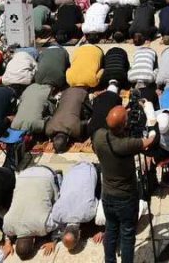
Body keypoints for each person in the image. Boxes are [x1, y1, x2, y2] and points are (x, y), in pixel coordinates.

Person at [93, 105, 156, 263]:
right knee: (127, 236)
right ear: (124, 126)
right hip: (126, 198)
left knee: (111, 230)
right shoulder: (127, 145)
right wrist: (151, 118)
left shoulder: (99, 136)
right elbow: (149, 141)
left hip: (107, 195)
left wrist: (125, 115)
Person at [2, 165, 61, 259]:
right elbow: (7, 233)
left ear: (34, 242)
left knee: (57, 199)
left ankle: (58, 177)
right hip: (23, 174)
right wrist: (7, 243)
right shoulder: (8, 225)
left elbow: (59, 220)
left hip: (47, 174)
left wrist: (53, 240)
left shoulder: (44, 226)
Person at [49, 162, 101, 252]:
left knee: (96, 193)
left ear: (79, 234)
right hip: (72, 170)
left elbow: (98, 202)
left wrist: (101, 231)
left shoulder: (88, 215)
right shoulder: (57, 215)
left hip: (90, 168)